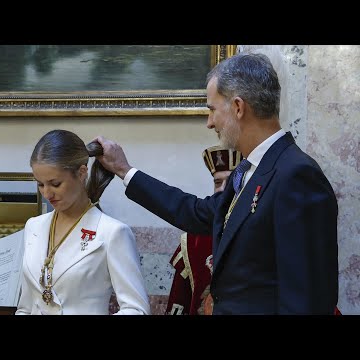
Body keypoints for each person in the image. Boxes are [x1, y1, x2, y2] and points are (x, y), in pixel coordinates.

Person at [94, 53, 339, 315]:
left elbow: (308, 299)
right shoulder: (248, 170)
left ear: (238, 107)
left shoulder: (296, 175)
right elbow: (196, 212)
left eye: (212, 109)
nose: (209, 122)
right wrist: (124, 170)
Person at [15, 129, 151, 315]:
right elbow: (25, 307)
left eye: (55, 184)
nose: (47, 194)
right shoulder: (34, 226)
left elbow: (137, 309)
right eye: (40, 184)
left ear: (81, 173)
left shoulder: (112, 232)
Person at [166, 146, 240, 315]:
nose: (222, 190)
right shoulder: (192, 241)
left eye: (229, 183)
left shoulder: (260, 234)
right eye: (217, 183)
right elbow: (179, 304)